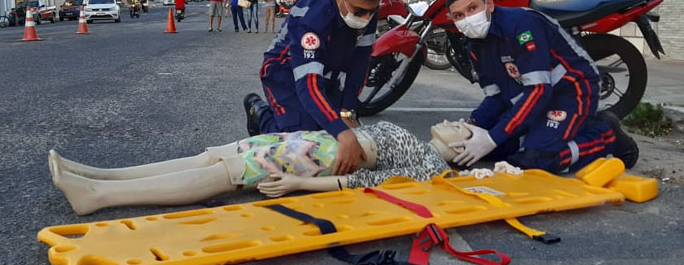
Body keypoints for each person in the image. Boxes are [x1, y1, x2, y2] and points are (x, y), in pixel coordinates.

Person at [47, 119, 470, 215]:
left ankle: (98, 195)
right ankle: (100, 176)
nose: (455, 121)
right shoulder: (421, 146)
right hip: (317, 142)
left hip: (318, 159)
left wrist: (296, 184)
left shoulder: (429, 166)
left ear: (460, 149)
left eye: (462, 127)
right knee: (213, 156)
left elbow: (366, 182)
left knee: (226, 173)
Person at [444, 0, 639, 174]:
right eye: (459, 15)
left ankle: (607, 135)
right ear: (451, 19)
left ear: (489, 4)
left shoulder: (520, 24)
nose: (468, 18)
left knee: (537, 160)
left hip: (572, 89)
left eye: (472, 8)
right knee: (489, 150)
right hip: (533, 96)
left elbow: (539, 90)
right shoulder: (474, 46)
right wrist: (474, 124)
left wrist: (492, 138)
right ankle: (552, 132)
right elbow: (496, 96)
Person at [244, 0, 383, 177]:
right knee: (300, 144)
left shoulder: (365, 9)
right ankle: (260, 114)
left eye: (372, 11)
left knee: (330, 137)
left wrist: (347, 111)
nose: (366, 18)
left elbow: (360, 63)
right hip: (286, 73)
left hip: (326, 76)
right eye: (359, 12)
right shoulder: (311, 19)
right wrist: (343, 133)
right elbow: (308, 84)